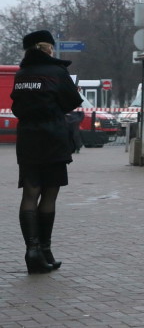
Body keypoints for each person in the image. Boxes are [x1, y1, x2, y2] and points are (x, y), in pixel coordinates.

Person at [11, 30, 83, 274]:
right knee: (49, 195)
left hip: (28, 139)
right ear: (47, 48)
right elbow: (73, 100)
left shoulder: (21, 74)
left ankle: (32, 251)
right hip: (53, 137)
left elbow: (17, 107)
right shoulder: (57, 72)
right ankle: (45, 249)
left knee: (30, 193)